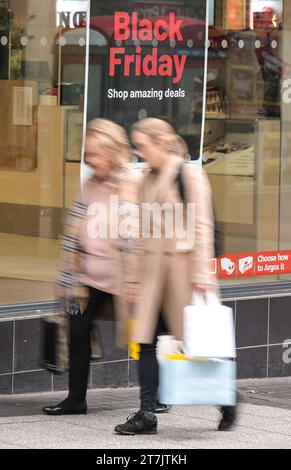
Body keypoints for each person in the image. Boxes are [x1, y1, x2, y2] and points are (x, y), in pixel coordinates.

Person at [114, 118, 237, 435]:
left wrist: (202, 275)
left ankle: (227, 399)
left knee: (196, 345)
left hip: (182, 275)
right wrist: (133, 280)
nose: (139, 153)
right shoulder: (144, 179)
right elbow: (139, 230)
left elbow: (202, 227)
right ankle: (146, 414)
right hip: (153, 276)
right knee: (144, 342)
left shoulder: (188, 174)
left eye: (142, 146)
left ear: (161, 143)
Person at [42, 118, 139, 415]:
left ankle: (157, 396)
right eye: (88, 154)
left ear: (112, 153)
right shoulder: (89, 184)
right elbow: (74, 227)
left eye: (96, 155)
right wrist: (68, 276)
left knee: (143, 337)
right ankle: (76, 399)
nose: (90, 160)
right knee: (77, 330)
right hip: (88, 279)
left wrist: (136, 280)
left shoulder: (129, 185)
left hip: (123, 280)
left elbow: (133, 234)